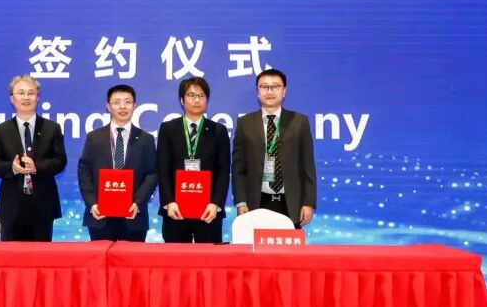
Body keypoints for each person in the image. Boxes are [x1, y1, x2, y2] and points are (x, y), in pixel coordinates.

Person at [231, 68, 317, 228]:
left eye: (275, 86)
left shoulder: (299, 121)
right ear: (258, 92)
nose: (270, 91)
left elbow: (307, 167)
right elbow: (238, 168)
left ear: (284, 91)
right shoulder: (245, 123)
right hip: (256, 202)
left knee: (288, 245)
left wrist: (308, 202)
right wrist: (241, 201)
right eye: (264, 87)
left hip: (290, 202)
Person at [0, 75, 67, 241]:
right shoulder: (0, 131)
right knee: (11, 254)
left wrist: (36, 167)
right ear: (12, 98)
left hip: (43, 204)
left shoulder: (52, 128)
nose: (26, 97)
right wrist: (13, 168)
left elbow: (60, 161)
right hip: (11, 205)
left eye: (30, 93)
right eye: (21, 93)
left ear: (37, 98)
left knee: (41, 254)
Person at [78, 84, 158, 241]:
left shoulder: (146, 139)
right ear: (108, 106)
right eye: (117, 102)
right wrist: (92, 204)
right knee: (100, 257)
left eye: (127, 102)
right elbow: (84, 171)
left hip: (134, 216)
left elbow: (152, 174)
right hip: (100, 216)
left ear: (134, 106)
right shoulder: (94, 137)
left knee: (132, 257)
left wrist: (138, 203)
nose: (122, 107)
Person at [156, 76, 230, 243]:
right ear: (182, 100)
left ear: (207, 100)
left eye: (201, 96)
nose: (197, 100)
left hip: (208, 211)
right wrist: (169, 202)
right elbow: (163, 169)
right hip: (176, 210)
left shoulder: (218, 130)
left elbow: (223, 171)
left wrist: (215, 204)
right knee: (176, 258)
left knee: (208, 257)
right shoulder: (168, 129)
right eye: (191, 95)